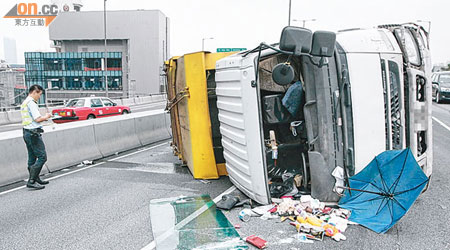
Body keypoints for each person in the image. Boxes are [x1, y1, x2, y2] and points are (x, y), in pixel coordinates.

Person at [21, 85, 52, 190]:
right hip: (33, 134)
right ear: (34, 92)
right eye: (39, 94)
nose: (39, 96)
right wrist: (46, 117)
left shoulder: (25, 102)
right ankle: (32, 180)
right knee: (42, 157)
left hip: (26, 132)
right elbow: (37, 119)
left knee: (32, 157)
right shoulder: (31, 103)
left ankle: (36, 178)